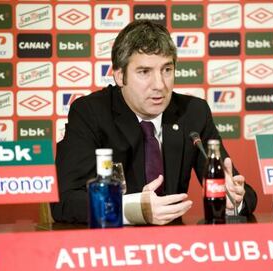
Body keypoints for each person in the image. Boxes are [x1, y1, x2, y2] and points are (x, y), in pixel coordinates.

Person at [51, 20, 257, 225]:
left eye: (166, 70)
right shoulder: (91, 113)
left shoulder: (193, 113)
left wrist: (233, 201)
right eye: (144, 72)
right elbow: (65, 202)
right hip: (111, 247)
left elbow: (245, 194)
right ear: (120, 75)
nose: (159, 85)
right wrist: (134, 209)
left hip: (174, 248)